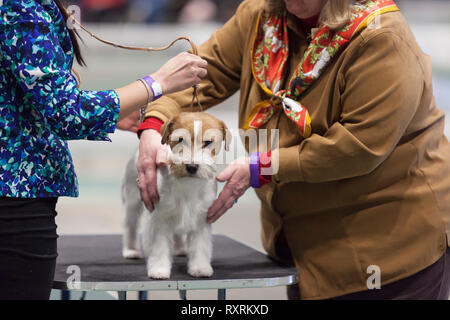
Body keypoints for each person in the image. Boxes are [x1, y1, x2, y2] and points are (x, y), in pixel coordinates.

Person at [136, 0, 450, 299]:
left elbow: (359, 146)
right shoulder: (261, 15)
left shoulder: (382, 37)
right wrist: (154, 123)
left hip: (387, 253)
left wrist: (264, 166)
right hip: (302, 250)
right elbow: (201, 74)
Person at [0, 0, 208, 300]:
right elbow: (65, 112)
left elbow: (29, 94)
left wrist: (113, 113)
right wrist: (156, 83)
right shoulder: (19, 5)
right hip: (14, 205)